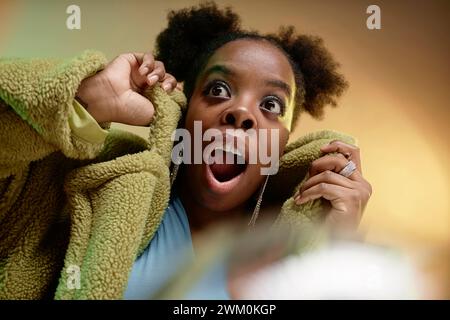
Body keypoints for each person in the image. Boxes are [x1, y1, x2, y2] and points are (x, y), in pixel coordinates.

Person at [0, 2, 371, 299]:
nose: (241, 112)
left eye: (271, 105)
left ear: (283, 145)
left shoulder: (291, 254)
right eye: (219, 90)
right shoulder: (92, 180)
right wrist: (92, 99)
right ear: (183, 110)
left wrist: (337, 245)